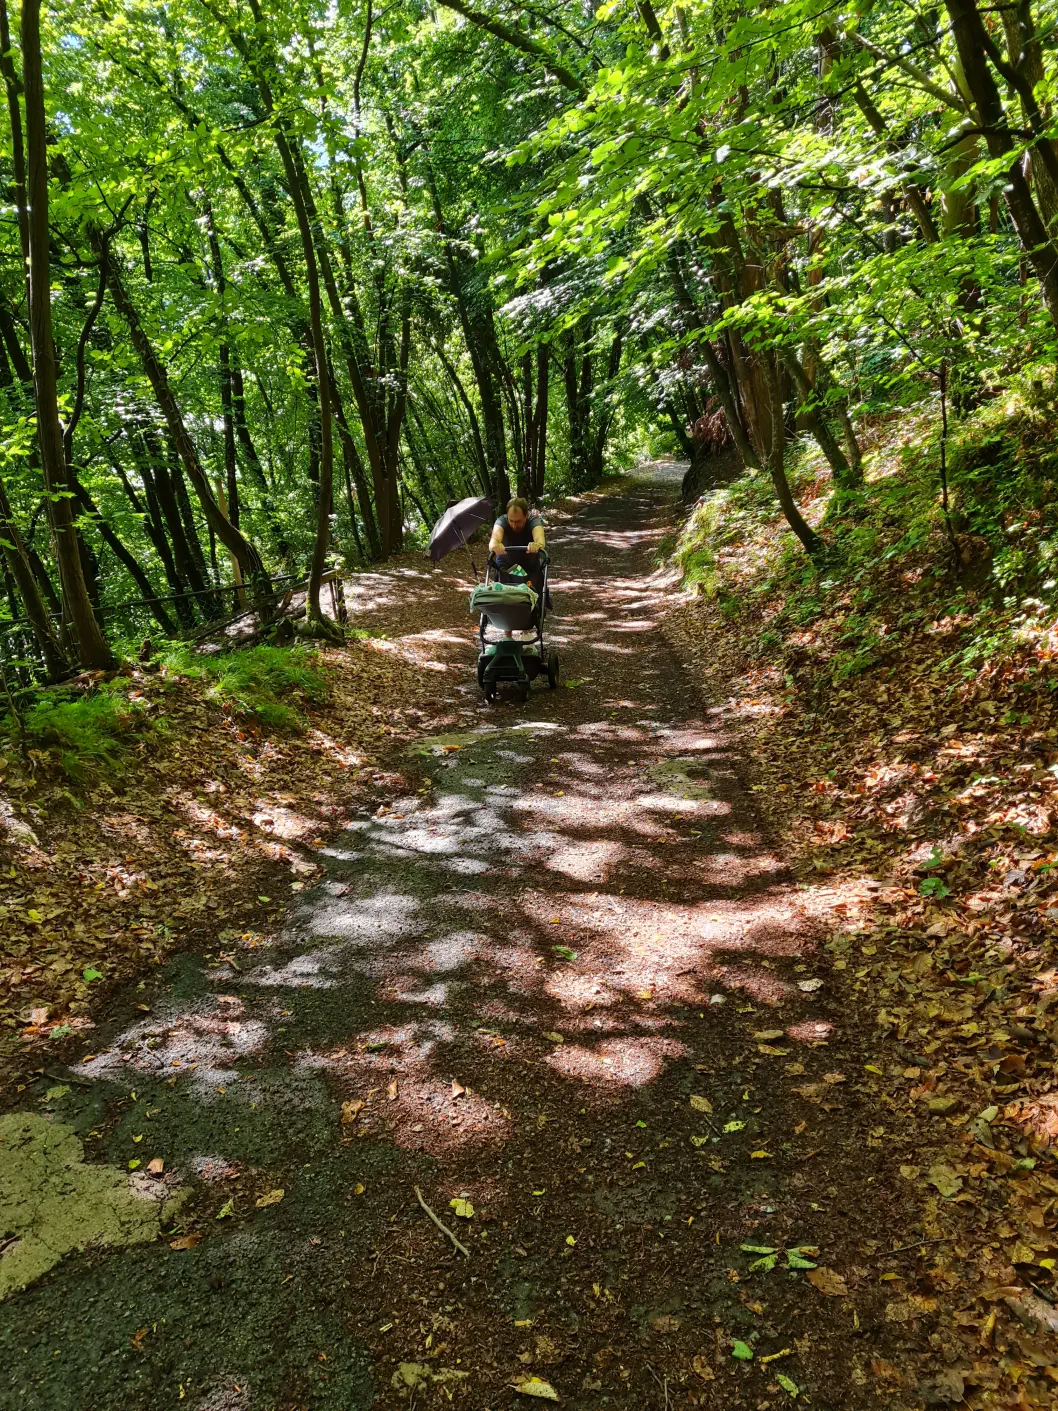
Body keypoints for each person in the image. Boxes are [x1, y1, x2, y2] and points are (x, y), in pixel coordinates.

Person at [488, 498, 546, 596]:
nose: (514, 525)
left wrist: (537, 545)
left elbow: (540, 539)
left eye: (518, 521)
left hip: (529, 567)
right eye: (511, 521)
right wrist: (495, 546)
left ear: (526, 515)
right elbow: (493, 541)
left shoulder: (533, 521)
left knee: (536, 585)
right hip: (506, 567)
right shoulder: (501, 521)